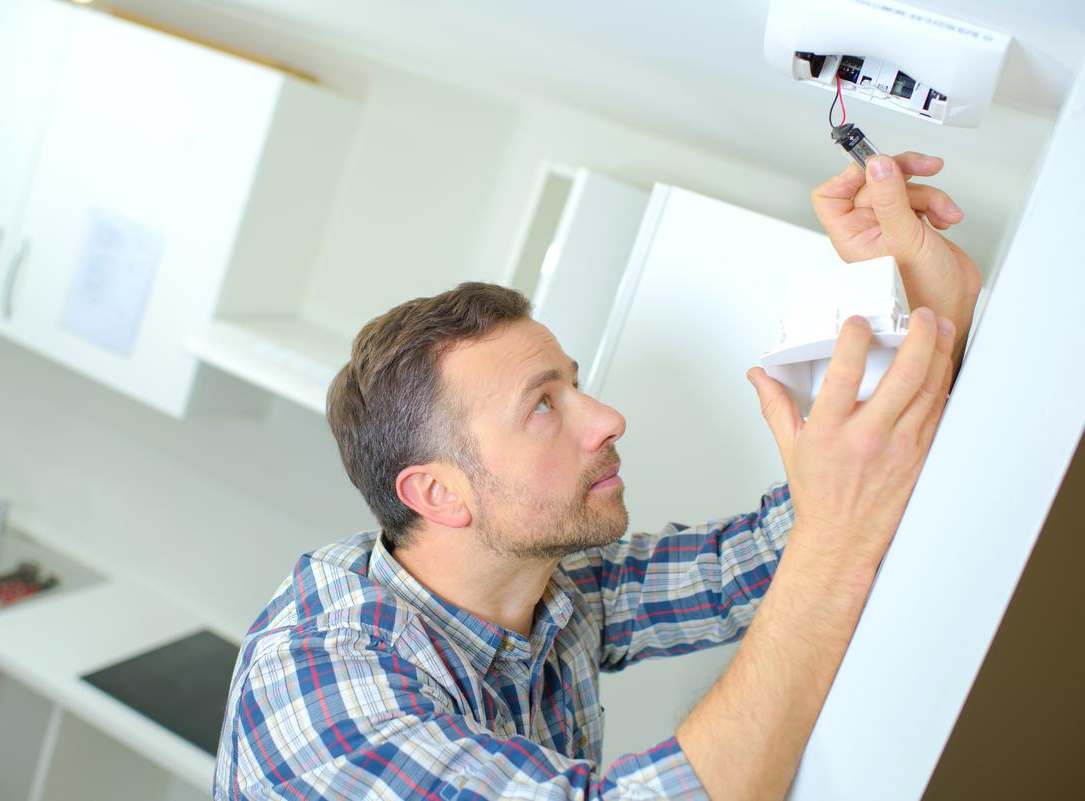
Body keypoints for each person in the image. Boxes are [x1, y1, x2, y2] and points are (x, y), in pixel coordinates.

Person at [213, 153, 979, 801]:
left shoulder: (547, 576)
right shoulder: (323, 693)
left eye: (573, 383)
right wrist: (833, 543)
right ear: (438, 493)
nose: (606, 417)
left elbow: (743, 565)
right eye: (544, 405)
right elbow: (822, 540)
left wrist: (921, 315)